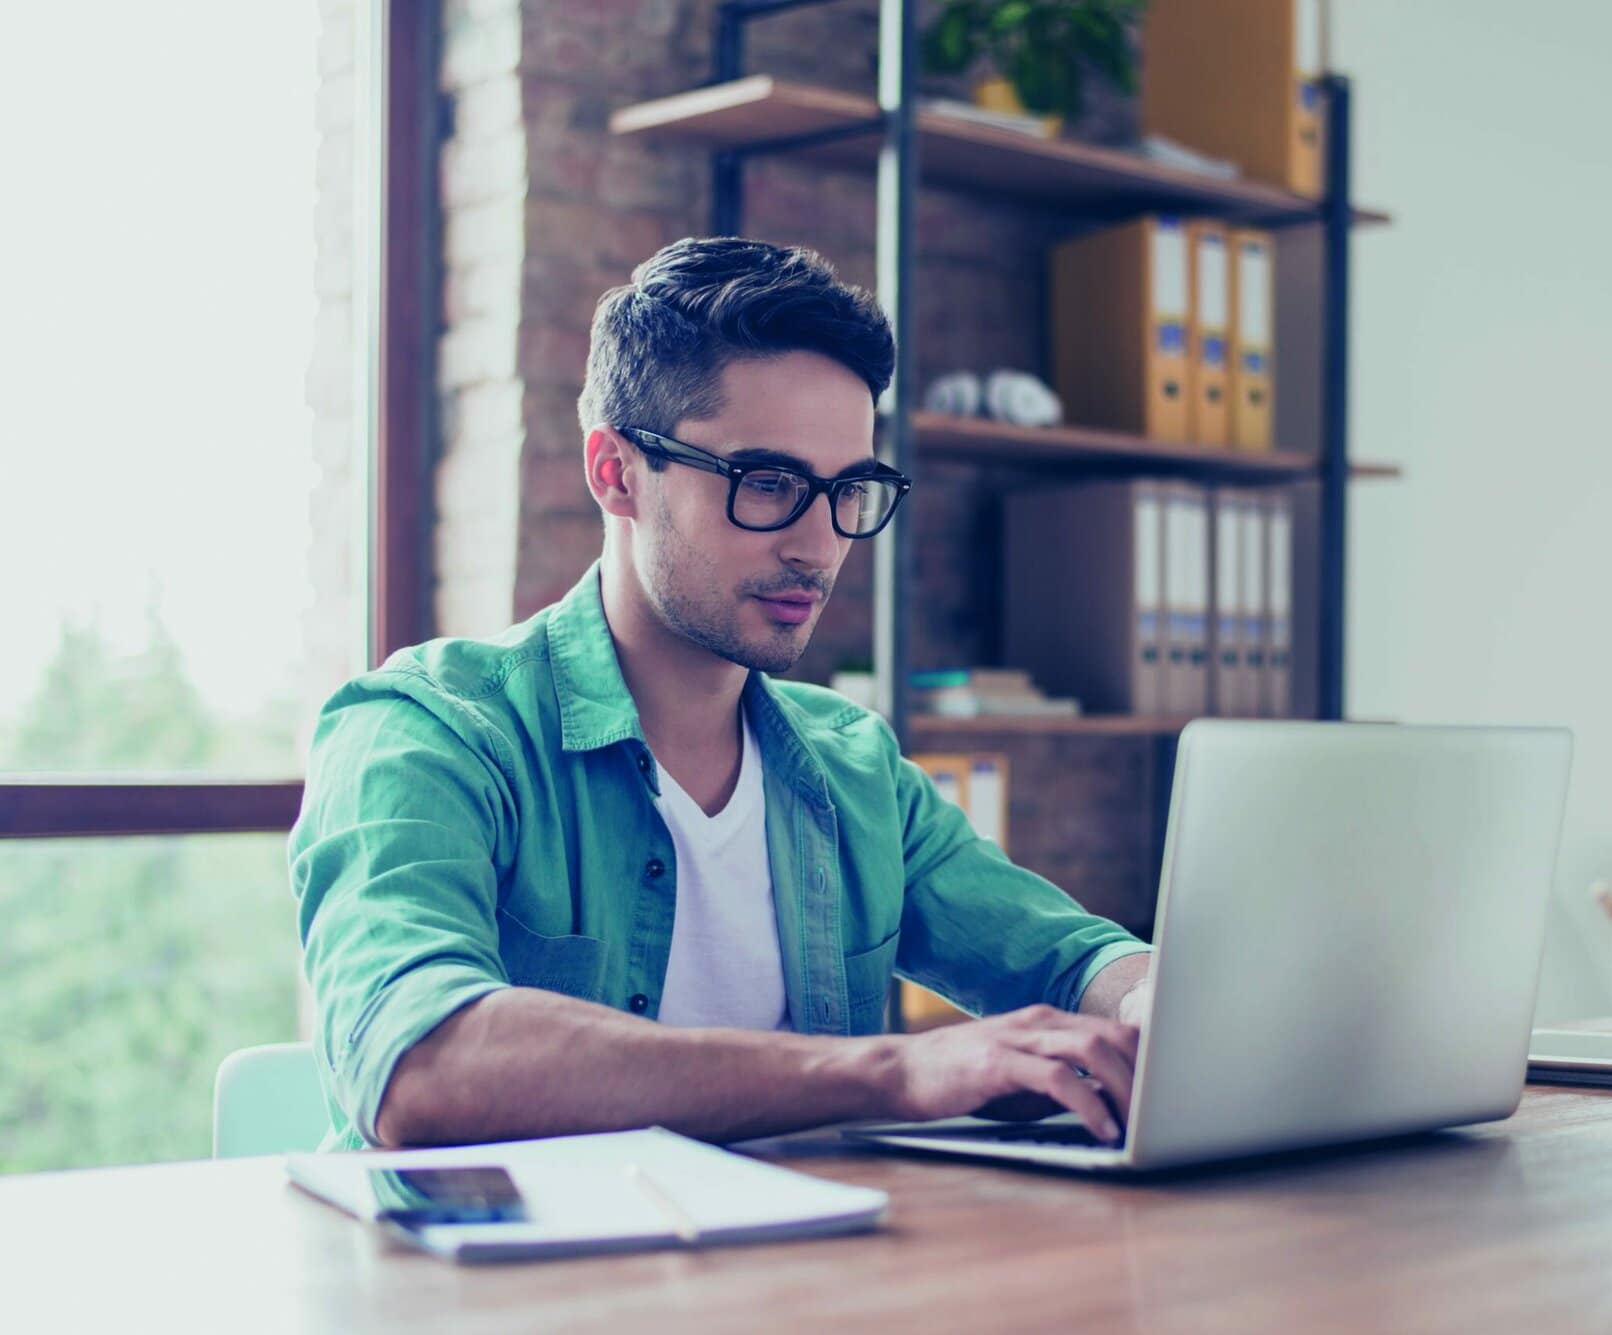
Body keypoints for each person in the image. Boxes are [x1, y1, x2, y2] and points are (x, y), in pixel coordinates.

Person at [290, 237, 1153, 1152]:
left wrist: (1150, 1002)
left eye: (849, 490)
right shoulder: (425, 733)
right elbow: (418, 1065)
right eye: (768, 482)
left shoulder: (854, 766)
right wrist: (892, 1073)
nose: (820, 545)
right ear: (616, 472)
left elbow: (1068, 956)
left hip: (803, 1274)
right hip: (506, 1289)